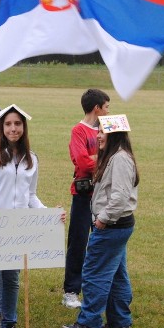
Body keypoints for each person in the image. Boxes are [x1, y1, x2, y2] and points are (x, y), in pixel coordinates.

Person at [0, 104, 48, 328]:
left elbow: (31, 195)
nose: (12, 128)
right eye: (8, 124)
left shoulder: (31, 159)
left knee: (11, 278)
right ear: (1, 127)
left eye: (17, 124)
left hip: (18, 226)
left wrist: (48, 215)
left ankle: (9, 326)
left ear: (24, 127)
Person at [63, 114, 138, 328]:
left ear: (114, 135)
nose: (98, 136)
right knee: (116, 274)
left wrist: (102, 219)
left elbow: (120, 197)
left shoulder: (120, 159)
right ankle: (120, 320)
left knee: (94, 272)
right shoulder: (116, 156)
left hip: (112, 225)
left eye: (102, 132)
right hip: (118, 226)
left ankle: (89, 323)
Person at [63, 89, 110, 309]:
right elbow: (82, 163)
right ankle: (71, 291)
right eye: (107, 106)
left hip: (104, 195)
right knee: (79, 242)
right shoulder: (78, 131)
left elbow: (118, 154)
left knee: (101, 242)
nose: (109, 111)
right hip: (83, 196)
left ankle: (98, 287)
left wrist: (96, 159)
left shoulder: (107, 129)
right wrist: (103, 160)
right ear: (96, 108)